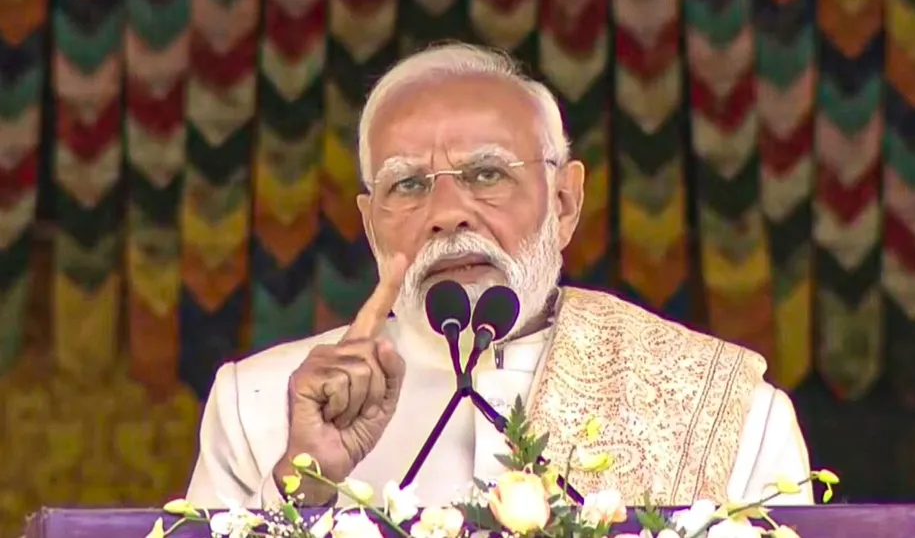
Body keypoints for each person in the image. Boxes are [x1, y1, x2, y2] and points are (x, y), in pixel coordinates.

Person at [185, 43, 813, 509]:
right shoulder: (260, 404)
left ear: (564, 203)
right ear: (373, 225)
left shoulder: (732, 412)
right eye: (407, 185)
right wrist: (305, 488)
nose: (447, 214)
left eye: (487, 174)